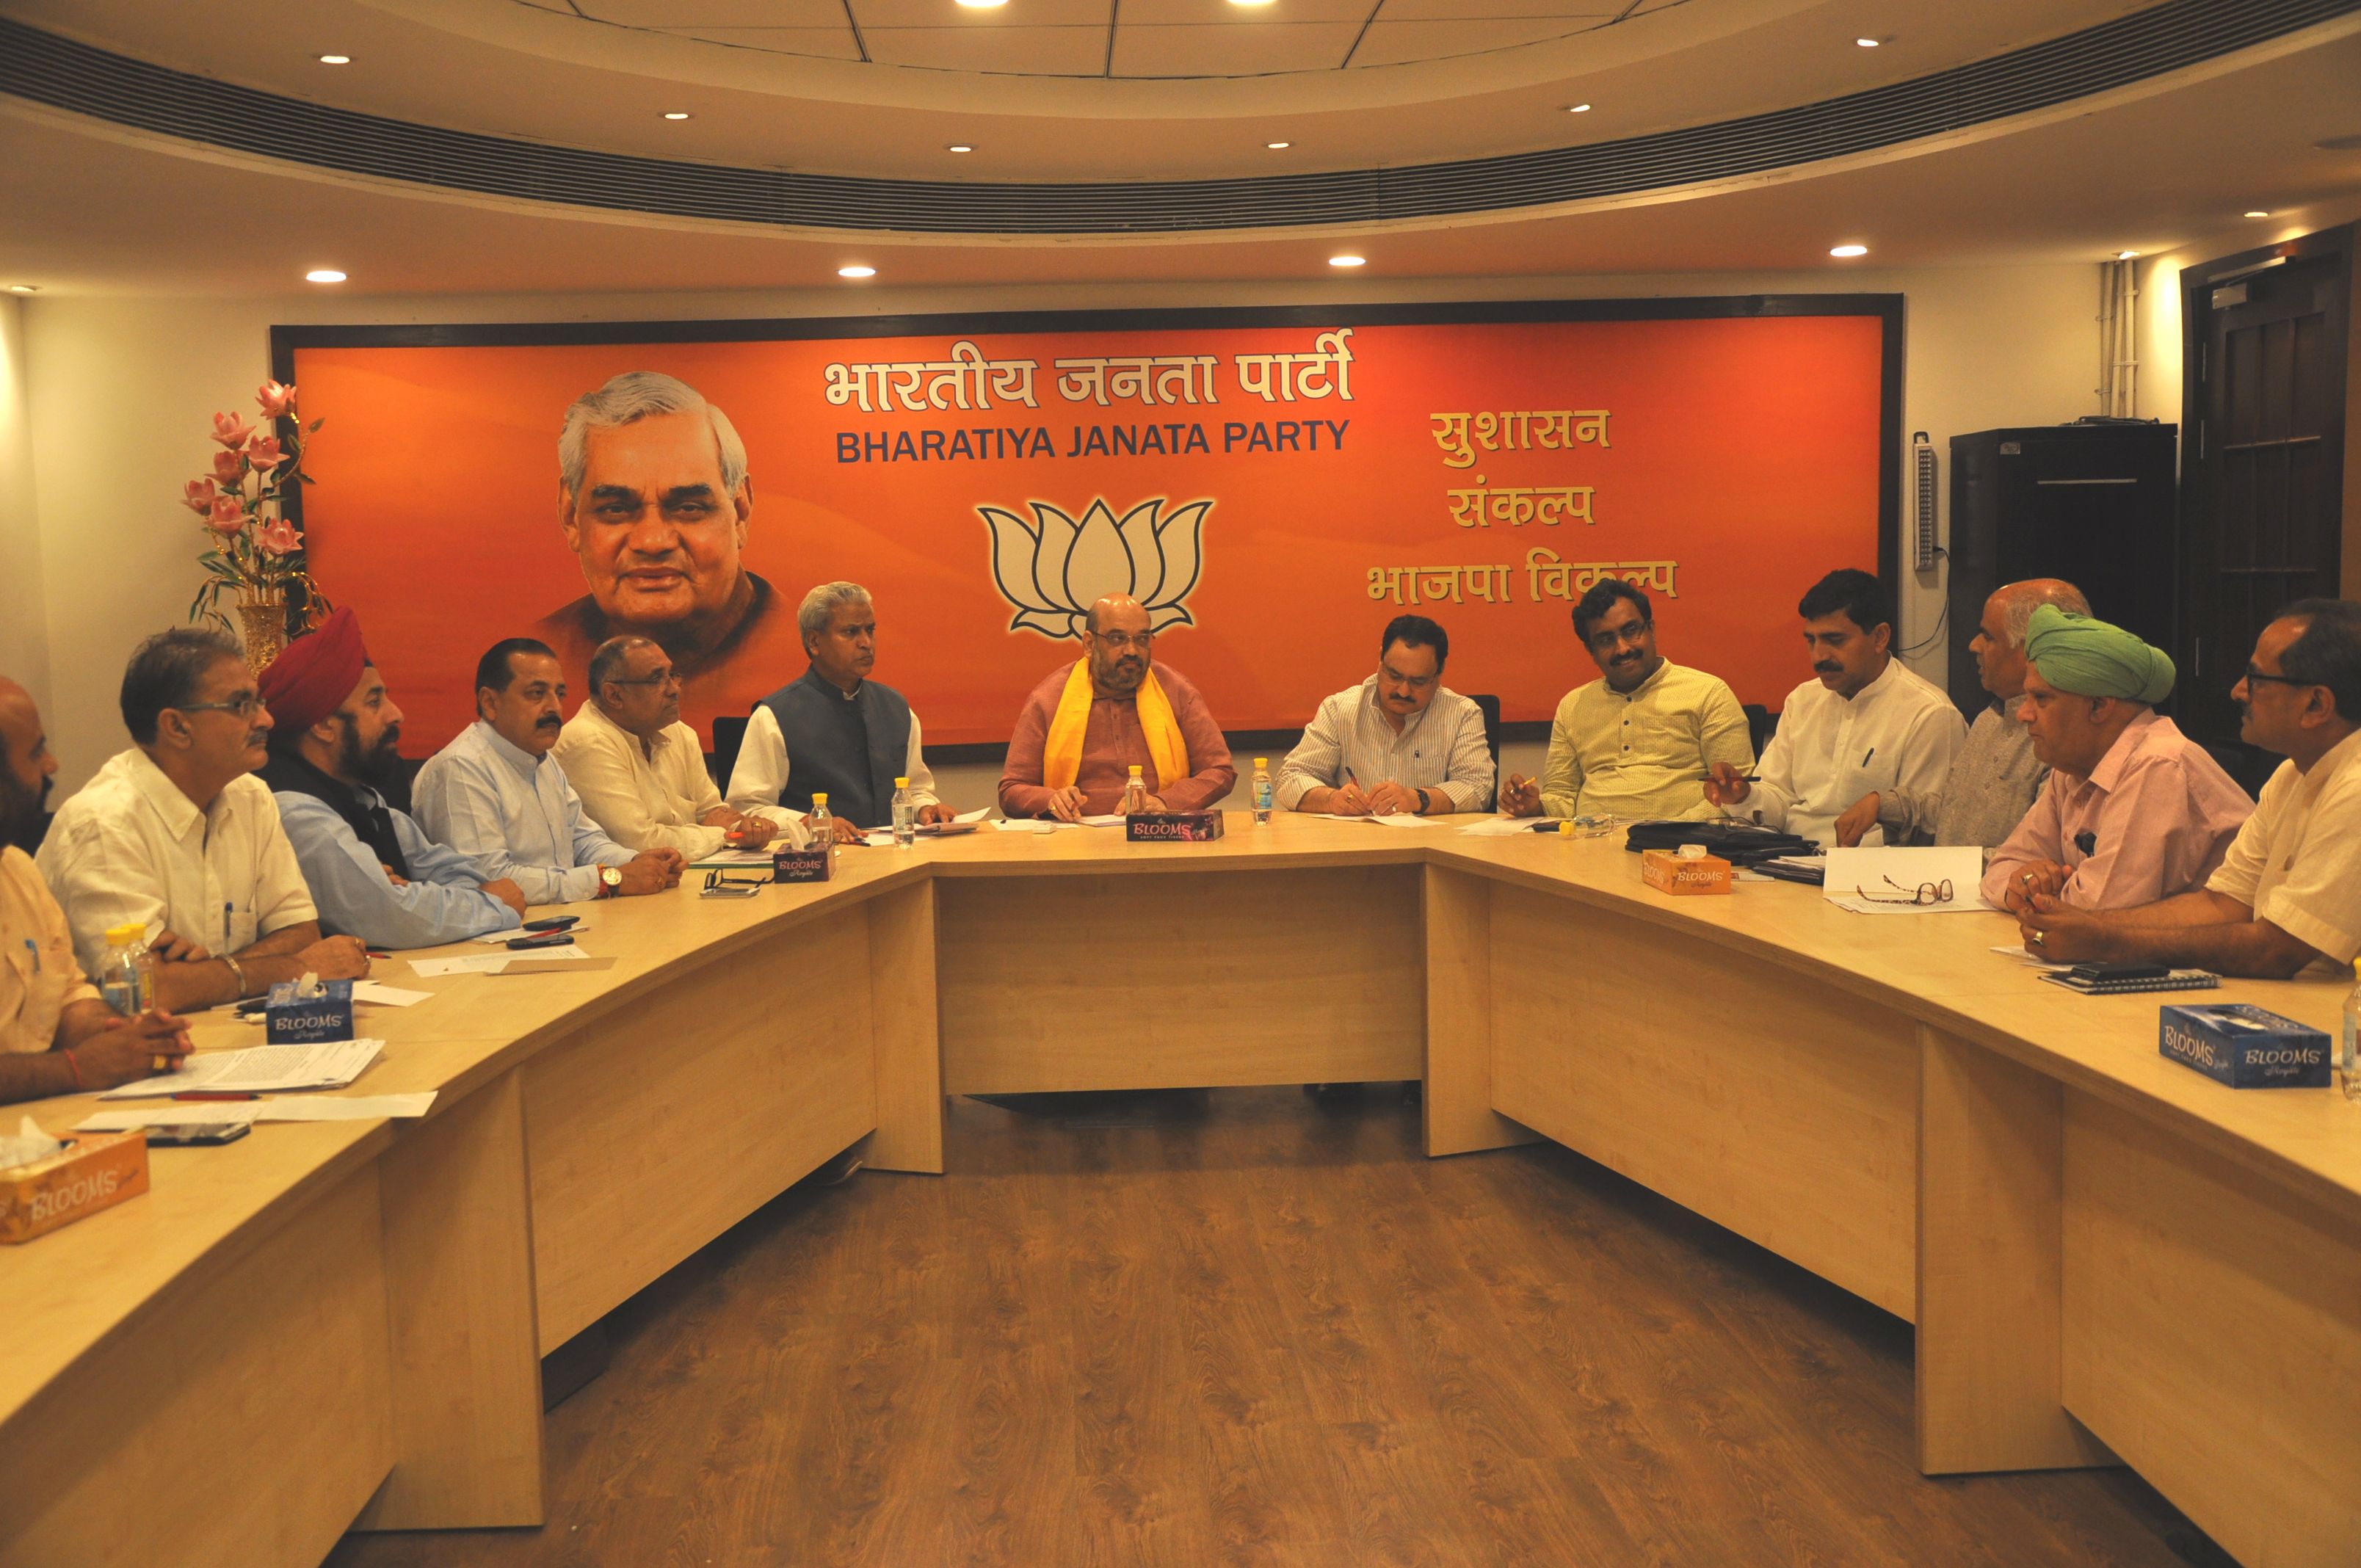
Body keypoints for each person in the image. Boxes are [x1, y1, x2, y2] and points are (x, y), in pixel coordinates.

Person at [2019, 601, 2361, 977]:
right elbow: (2222, 906)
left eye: (2257, 679)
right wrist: (2089, 926)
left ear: (2316, 704)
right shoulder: (2290, 776)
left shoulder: (2355, 789)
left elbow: (2275, 950)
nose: (2238, 691)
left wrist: (2107, 940)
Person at [37, 627, 369, 1012]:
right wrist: (294, 968)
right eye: (241, 705)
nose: (266, 719)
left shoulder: (251, 797)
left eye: (259, 701)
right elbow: (146, 989)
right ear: (177, 727)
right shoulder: (103, 823)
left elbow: (301, 932)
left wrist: (207, 975)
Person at [532, 371, 800, 719]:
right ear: (570, 517)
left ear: (739, 512)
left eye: (688, 508)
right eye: (616, 509)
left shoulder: (800, 650)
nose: (653, 542)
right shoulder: (543, 655)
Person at [253, 610, 526, 948]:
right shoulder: (295, 810)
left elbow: (462, 875)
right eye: (374, 702)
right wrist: (492, 906)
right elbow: (393, 918)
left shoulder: (364, 799)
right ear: (323, 726)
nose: (396, 713)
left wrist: (413, 893)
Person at [1981, 608, 2250, 912]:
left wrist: (2039, 896)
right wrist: (2022, 885)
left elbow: (2100, 912)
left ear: (2098, 707)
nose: (2023, 714)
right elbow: (2002, 868)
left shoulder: (2157, 766)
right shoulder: (2071, 766)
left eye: (2041, 699)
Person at [1, 676, 192, 1101]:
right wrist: (75, 1069)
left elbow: (68, 995)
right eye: (35, 753)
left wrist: (126, 1038)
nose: (52, 764)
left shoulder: (17, 869)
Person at [1704, 570, 1965, 847]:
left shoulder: (1929, 715)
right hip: (1786, 863)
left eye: (1835, 641)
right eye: (1811, 641)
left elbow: (1924, 831)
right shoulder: (1803, 699)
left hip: (1870, 878)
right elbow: (1777, 800)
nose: (1819, 656)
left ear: (1880, 637)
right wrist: (1743, 797)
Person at [413, 639, 683, 904]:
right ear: (490, 703)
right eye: (536, 694)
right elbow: (490, 881)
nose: (554, 707)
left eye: (559, 694)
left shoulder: (542, 759)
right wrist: (611, 879)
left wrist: (639, 863)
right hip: (503, 935)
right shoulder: (461, 769)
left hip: (560, 921)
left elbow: (584, 840)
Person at [1834, 578, 2087, 849]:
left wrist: (1933, 870)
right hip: (1947, 886)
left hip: (1978, 889)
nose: (1973, 646)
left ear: (2031, 650)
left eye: (1988, 637)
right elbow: (1955, 817)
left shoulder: (2065, 737)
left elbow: (2033, 859)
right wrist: (1883, 804)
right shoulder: (1990, 718)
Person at [1500, 581, 1751, 821]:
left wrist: (1669, 831)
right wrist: (1538, 806)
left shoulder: (1708, 692)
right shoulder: (1573, 705)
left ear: (1651, 629)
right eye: (1606, 640)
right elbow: (1562, 796)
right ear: (1592, 651)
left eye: (1631, 631)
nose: (1622, 649)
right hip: (1590, 846)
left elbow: (1736, 795)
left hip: (1683, 846)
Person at [728, 581, 952, 843]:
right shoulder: (774, 716)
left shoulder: (897, 708)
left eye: (870, 630)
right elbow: (747, 809)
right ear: (814, 641)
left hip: (896, 860)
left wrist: (926, 808)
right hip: (818, 866)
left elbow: (914, 789)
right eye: (850, 632)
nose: (866, 643)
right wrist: (811, 823)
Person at [554, 635, 805, 858]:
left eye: (672, 676)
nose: (674, 690)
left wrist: (741, 829)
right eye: (656, 680)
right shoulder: (587, 743)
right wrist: (720, 833)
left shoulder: (678, 733)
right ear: (614, 695)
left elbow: (716, 812)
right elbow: (640, 846)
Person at [998, 594, 1236, 820]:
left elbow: (1219, 771)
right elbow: (1011, 790)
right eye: (1117, 639)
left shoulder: (1176, 691)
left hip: (1160, 835)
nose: (1132, 651)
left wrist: (1166, 802)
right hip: (1073, 845)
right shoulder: (1049, 699)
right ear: (1089, 644)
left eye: (1142, 639)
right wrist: (1051, 799)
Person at [1277, 615, 1493, 816]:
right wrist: (1331, 799)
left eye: (1418, 682)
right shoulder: (1339, 709)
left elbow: (1478, 787)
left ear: (1439, 672)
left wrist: (1418, 798)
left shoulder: (1463, 714)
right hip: (1356, 846)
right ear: (1380, 661)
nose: (1403, 691)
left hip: (1431, 847)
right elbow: (1291, 778)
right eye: (1394, 676)